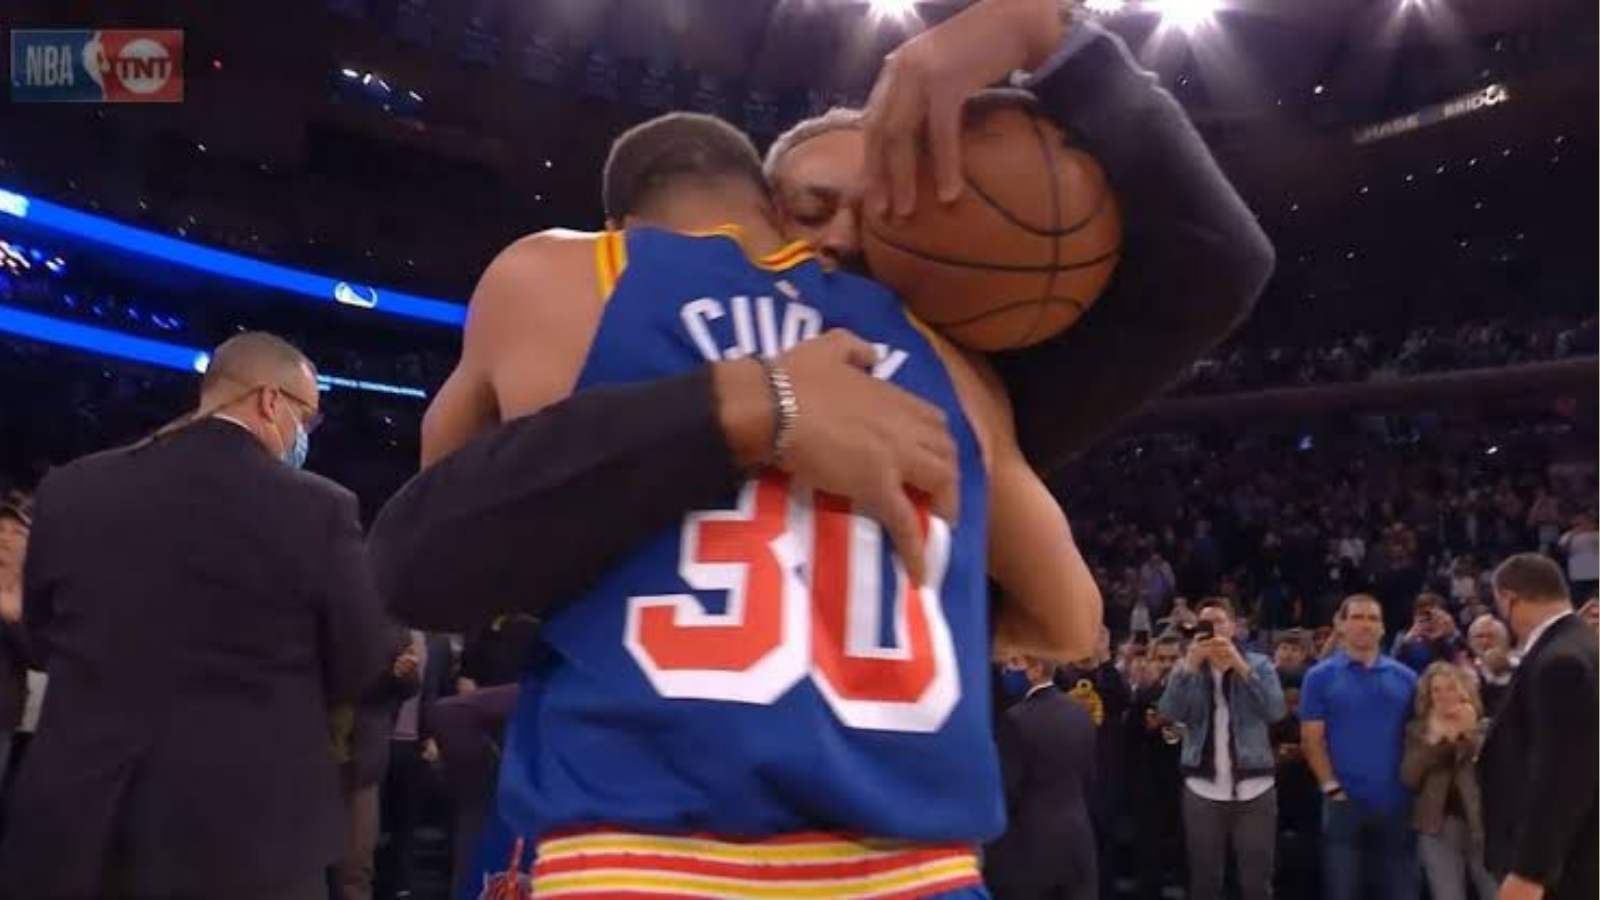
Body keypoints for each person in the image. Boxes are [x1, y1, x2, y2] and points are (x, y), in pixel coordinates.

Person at [393, 103, 1103, 897]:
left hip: (644, 857)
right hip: (915, 871)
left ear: (621, 220)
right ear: (773, 211)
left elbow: (446, 513)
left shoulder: (568, 271)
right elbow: (1076, 619)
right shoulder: (947, 355)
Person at [764, 1, 1274, 475]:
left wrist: (1044, 37)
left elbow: (1221, 261)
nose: (847, 239)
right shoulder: (693, 353)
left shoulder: (987, 399)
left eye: (884, 216)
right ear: (756, 226)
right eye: (811, 211)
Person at [0, 332, 395, 899]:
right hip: (247, 831)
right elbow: (362, 663)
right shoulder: (319, 506)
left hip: (82, 822)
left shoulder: (72, 487)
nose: (303, 437)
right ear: (269, 401)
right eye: (306, 421)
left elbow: (43, 638)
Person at [1479, 553, 1598, 900]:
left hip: (1565, 866)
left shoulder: (1560, 660)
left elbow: (1562, 775)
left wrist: (1530, 872)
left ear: (1508, 598)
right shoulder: (1585, 646)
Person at [1157, 597, 1287, 900]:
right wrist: (1188, 666)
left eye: (1219, 622)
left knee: (1257, 883)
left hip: (1255, 788)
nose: (1213, 629)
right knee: (1204, 883)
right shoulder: (1187, 668)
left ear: (1234, 626)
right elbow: (1171, 713)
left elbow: (1276, 710)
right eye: (1206, 623)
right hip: (1203, 789)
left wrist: (1240, 666)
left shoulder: (1259, 664)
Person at [1300, 593, 1420, 900]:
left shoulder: (1406, 678)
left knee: (1400, 891)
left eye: (1373, 618)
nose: (1365, 625)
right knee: (1342, 891)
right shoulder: (1318, 677)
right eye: (1357, 617)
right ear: (1340, 625)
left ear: (1382, 628)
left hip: (1397, 804)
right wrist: (1331, 788)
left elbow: (1419, 737)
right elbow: (1312, 740)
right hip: (1343, 804)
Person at [986, 653, 1098, 900]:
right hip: (1078, 840)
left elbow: (1008, 791)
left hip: (1030, 848)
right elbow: (1090, 779)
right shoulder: (1080, 713)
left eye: (1015, 664)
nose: (1007, 670)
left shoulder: (1015, 719)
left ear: (1036, 669)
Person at [1400, 661, 1497, 900]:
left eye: (1451, 688)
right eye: (1436, 690)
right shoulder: (1417, 731)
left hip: (1484, 823)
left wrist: (1468, 735)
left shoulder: (1486, 728)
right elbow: (1409, 778)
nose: (1444, 696)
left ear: (1464, 690)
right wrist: (1438, 741)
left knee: (1496, 892)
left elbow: (1493, 771)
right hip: (1436, 826)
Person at [336, 633, 422, 900]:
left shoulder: (388, 625)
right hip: (308, 756)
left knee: (356, 868)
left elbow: (410, 685)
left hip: (360, 761)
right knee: (300, 867)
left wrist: (400, 673)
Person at [1124, 633, 1185, 900]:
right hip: (1150, 784)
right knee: (1149, 854)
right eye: (1161, 659)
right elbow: (1131, 739)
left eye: (1173, 659)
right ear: (1151, 660)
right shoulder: (1143, 697)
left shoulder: (1201, 694)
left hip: (1190, 784)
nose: (1168, 664)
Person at [0, 493, 30, 793]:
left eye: (16, 531)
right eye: (0, 529)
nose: (6, 539)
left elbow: (39, 656)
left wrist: (12, 619)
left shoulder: (32, 596)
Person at [1392, 592, 1467, 674]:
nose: (1428, 619)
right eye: (1422, 614)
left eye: (1433, 615)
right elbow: (1393, 666)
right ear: (1415, 616)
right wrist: (1408, 640)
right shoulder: (1404, 637)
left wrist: (1452, 632)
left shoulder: (1450, 636)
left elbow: (1468, 657)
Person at [1465, 614, 1514, 717]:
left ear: (1505, 640)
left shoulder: (1519, 667)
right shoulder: (1464, 673)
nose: (1485, 641)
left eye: (1491, 636)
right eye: (1479, 636)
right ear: (1470, 642)